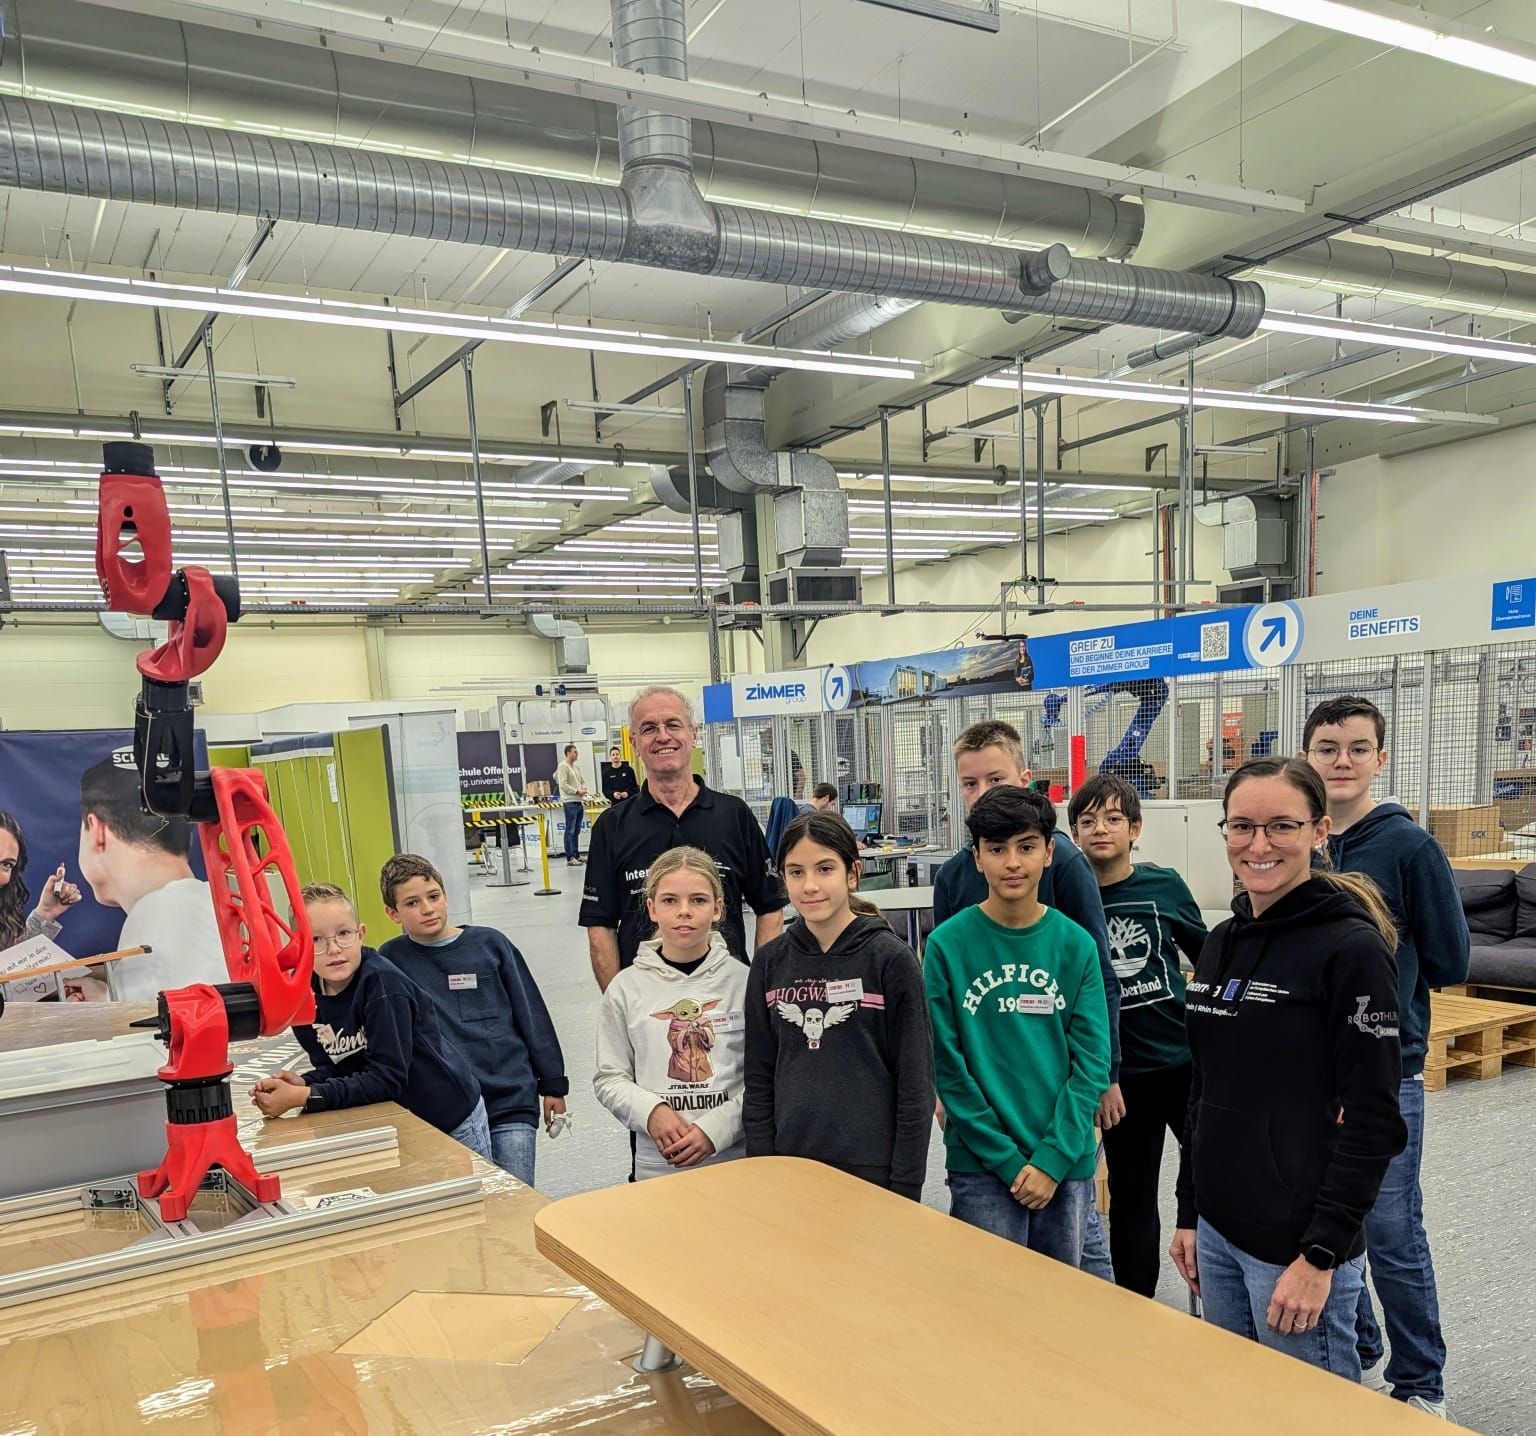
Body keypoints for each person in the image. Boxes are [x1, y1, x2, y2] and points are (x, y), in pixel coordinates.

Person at [1171, 757, 1407, 1383]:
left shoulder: (1351, 950)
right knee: (1237, 1403)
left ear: (1318, 831)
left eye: (1281, 826)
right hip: (1218, 1231)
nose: (1259, 845)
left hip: (1296, 1248)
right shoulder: (1221, 941)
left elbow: (1374, 1120)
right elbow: (1204, 1088)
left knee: (1307, 1415)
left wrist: (1321, 1255)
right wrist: (1190, 1212)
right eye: (1242, 826)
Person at [1303, 696, 1467, 1415]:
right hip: (1307, 1071)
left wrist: (1385, 987)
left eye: (1357, 748)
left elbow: (1450, 958)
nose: (1342, 761)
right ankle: (1360, 1342)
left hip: (1386, 1070)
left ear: (1381, 759)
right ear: (1307, 755)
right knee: (1327, 1218)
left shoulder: (1408, 848)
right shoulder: (1296, 840)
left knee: (1392, 1229)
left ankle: (1421, 1382)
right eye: (1328, 747)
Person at [929, 718, 1121, 1279]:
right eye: (997, 849)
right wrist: (1008, 1160)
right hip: (982, 1159)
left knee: (1064, 1298)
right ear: (977, 856)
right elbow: (948, 1061)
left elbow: (1089, 1059)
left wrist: (1055, 1157)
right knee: (990, 1301)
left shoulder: (1074, 943)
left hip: (1064, 1156)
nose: (1012, 862)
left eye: (1027, 848)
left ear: (1049, 853)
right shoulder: (946, 945)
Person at [743, 811, 934, 1199]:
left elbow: (916, 1083)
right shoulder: (769, 963)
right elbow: (759, 1076)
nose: (810, 885)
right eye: (796, 872)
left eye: (825, 869)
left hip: (872, 1170)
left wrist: (906, 1184)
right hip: (789, 1165)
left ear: (853, 873)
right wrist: (762, 1167)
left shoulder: (891, 960)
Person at [1068, 773, 1206, 1297]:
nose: (1100, 829)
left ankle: (1224, 1294)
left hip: (1182, 1060)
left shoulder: (1164, 886)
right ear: (1074, 834)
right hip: (1121, 1078)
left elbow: (1209, 956)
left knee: (1213, 1176)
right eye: (1087, 821)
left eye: (1113, 819)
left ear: (1135, 828)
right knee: (1131, 1196)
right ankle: (1134, 1305)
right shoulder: (1066, 899)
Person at [250, 882, 493, 1163]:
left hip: (449, 1120)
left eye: (343, 934)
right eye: (316, 939)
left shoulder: (384, 986)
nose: (334, 949)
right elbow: (339, 1066)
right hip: (400, 1122)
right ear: (298, 945)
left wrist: (305, 1095)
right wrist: (304, 1082)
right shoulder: (304, 995)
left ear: (360, 934)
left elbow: (386, 1078)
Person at [378, 853, 567, 1186]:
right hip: (445, 1111)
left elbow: (531, 1012)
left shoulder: (491, 945)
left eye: (433, 896)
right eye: (412, 903)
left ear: (445, 896)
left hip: (509, 1100)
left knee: (515, 1199)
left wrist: (553, 1084)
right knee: (470, 1204)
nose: (427, 909)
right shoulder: (390, 960)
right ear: (393, 914)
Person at [582, 686, 787, 991]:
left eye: (673, 724)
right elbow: (600, 925)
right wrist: (619, 1002)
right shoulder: (611, 826)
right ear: (634, 743)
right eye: (649, 728)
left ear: (693, 734)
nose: (663, 736)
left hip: (726, 997)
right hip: (645, 998)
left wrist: (758, 988)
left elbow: (770, 906)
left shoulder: (734, 815)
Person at [594, 846, 748, 1180]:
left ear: (718, 908)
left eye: (698, 900)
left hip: (734, 1161)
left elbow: (764, 1080)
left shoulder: (745, 982)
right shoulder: (625, 989)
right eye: (670, 901)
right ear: (651, 908)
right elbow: (610, 1078)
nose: (684, 911)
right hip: (658, 1166)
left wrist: (717, 1129)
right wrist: (651, 1112)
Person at [77, 758, 225, 1001]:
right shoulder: (218, 903)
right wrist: (105, 999)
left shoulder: (155, 915)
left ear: (96, 830)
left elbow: (168, 1019)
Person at [555, 744, 589, 868]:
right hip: (569, 802)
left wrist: (583, 788)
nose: (577, 753)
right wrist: (576, 791)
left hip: (579, 801)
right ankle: (570, 857)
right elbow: (563, 785)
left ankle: (576, 854)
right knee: (570, 830)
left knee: (576, 830)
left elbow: (582, 781)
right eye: (575, 752)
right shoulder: (563, 766)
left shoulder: (576, 767)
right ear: (568, 753)